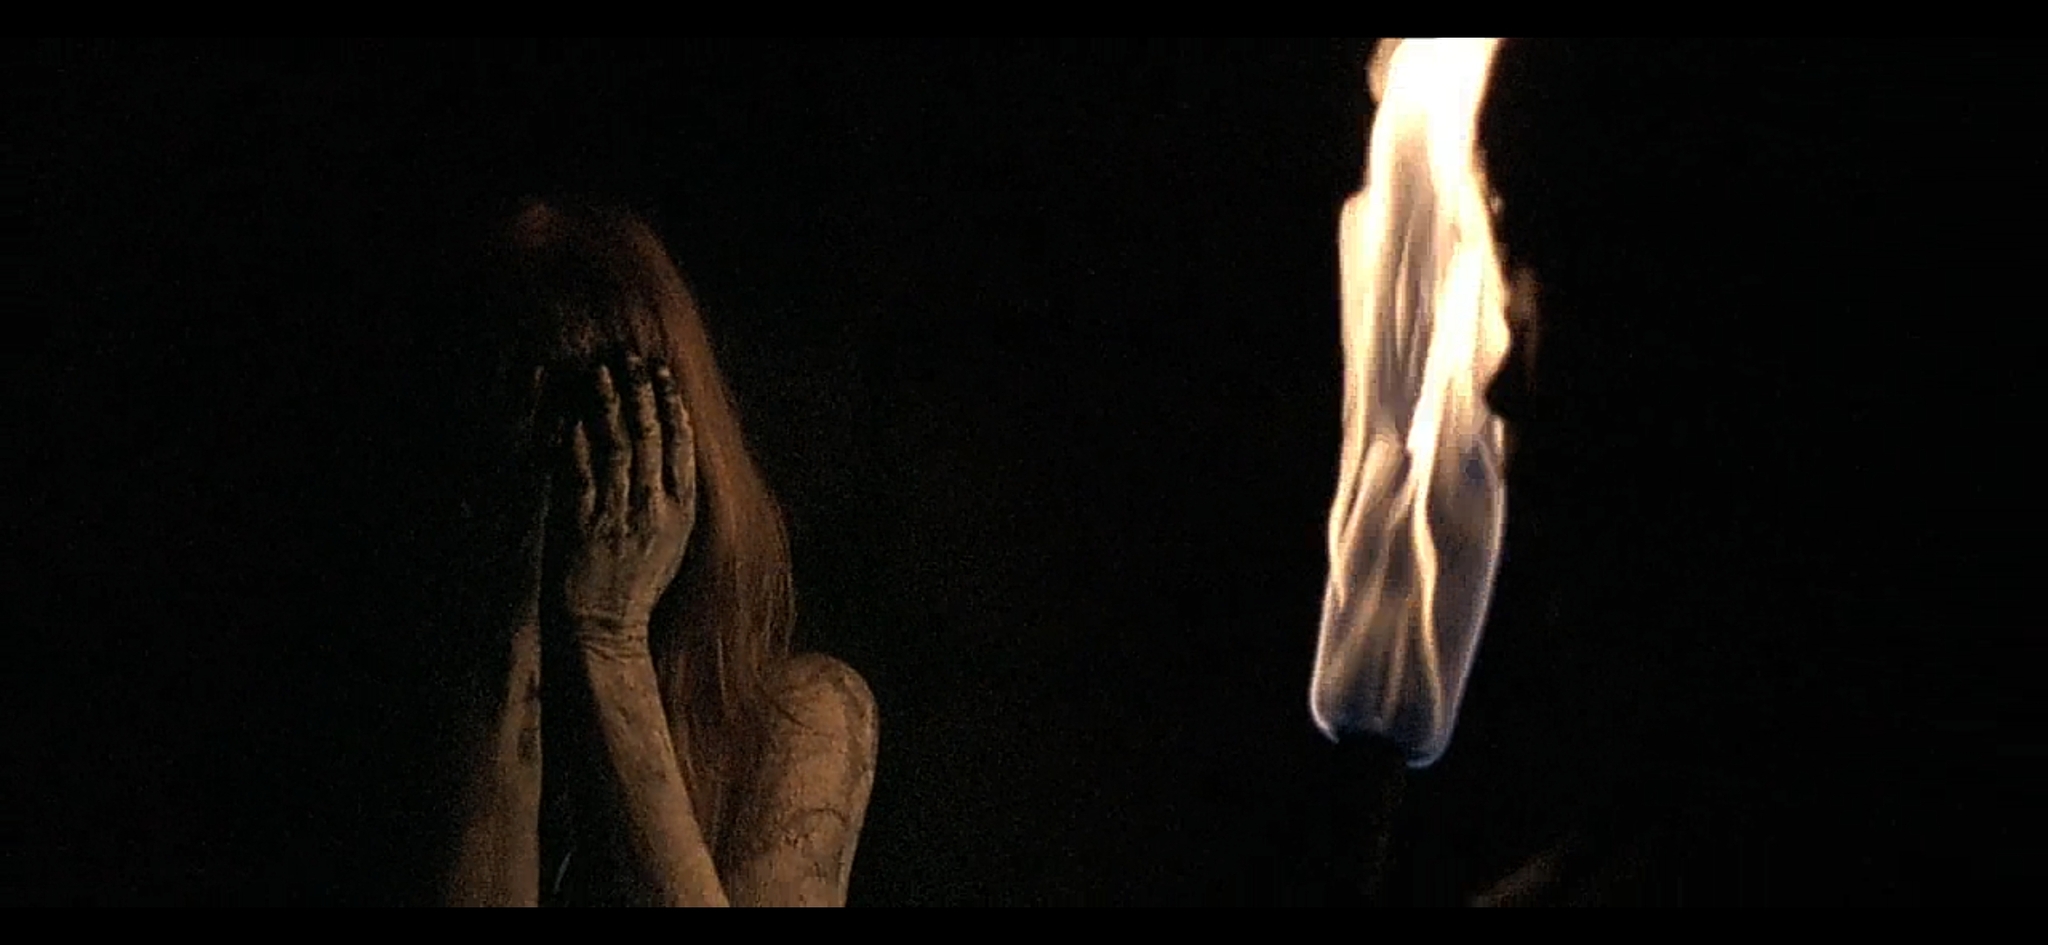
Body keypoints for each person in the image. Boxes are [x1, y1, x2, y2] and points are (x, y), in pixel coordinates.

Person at [438, 199, 878, 907]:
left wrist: (610, 642)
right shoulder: (404, 713)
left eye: (608, 428)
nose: (578, 486)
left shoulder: (797, 720)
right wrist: (507, 639)